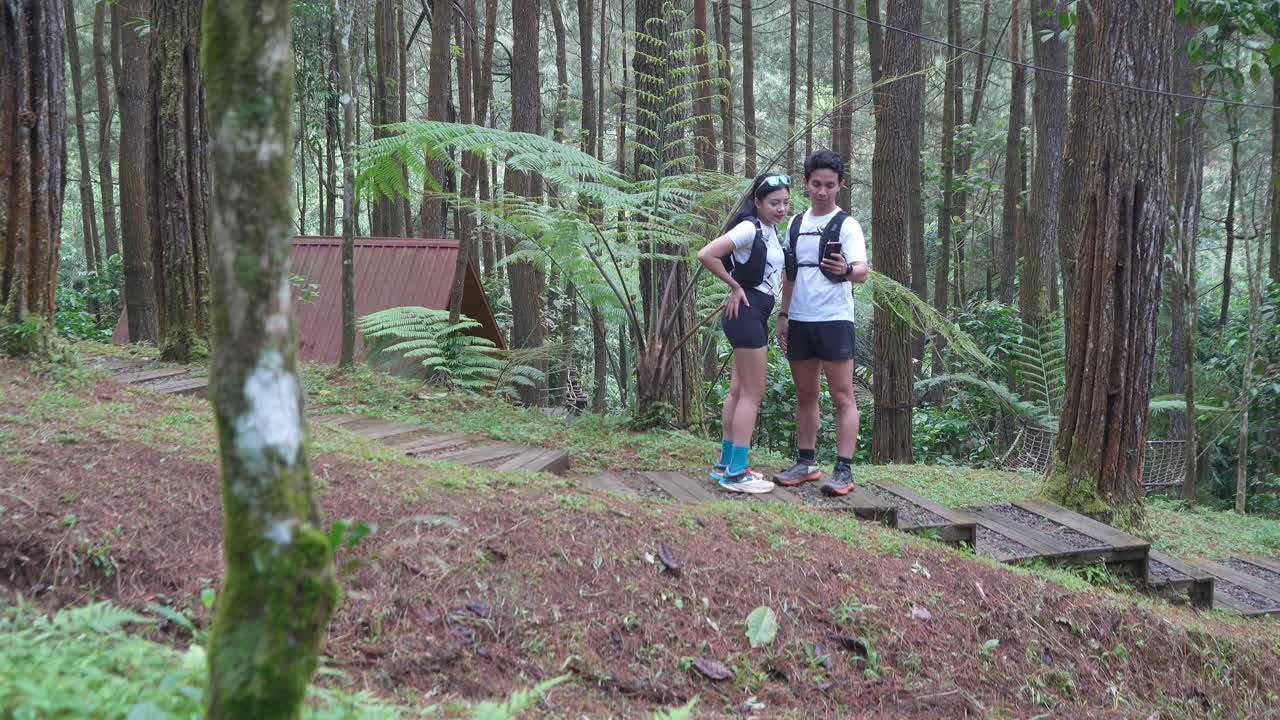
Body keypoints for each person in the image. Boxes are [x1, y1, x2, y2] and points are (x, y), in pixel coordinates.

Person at [772, 150, 869, 495]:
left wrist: (844, 270)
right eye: (816, 184)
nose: (822, 191)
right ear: (806, 184)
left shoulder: (848, 225)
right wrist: (783, 315)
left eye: (830, 185)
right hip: (800, 319)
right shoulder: (796, 223)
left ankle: (844, 469)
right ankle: (807, 462)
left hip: (834, 319)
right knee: (806, 394)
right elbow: (790, 273)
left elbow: (862, 272)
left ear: (840, 185)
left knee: (842, 395)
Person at [696, 174, 792, 494]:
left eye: (785, 202)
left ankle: (726, 462)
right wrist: (735, 285)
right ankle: (737, 472)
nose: (781, 208)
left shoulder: (770, 231)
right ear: (758, 203)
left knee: (738, 391)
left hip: (753, 313)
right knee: (752, 393)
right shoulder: (749, 227)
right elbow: (706, 253)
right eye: (774, 203)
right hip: (747, 312)